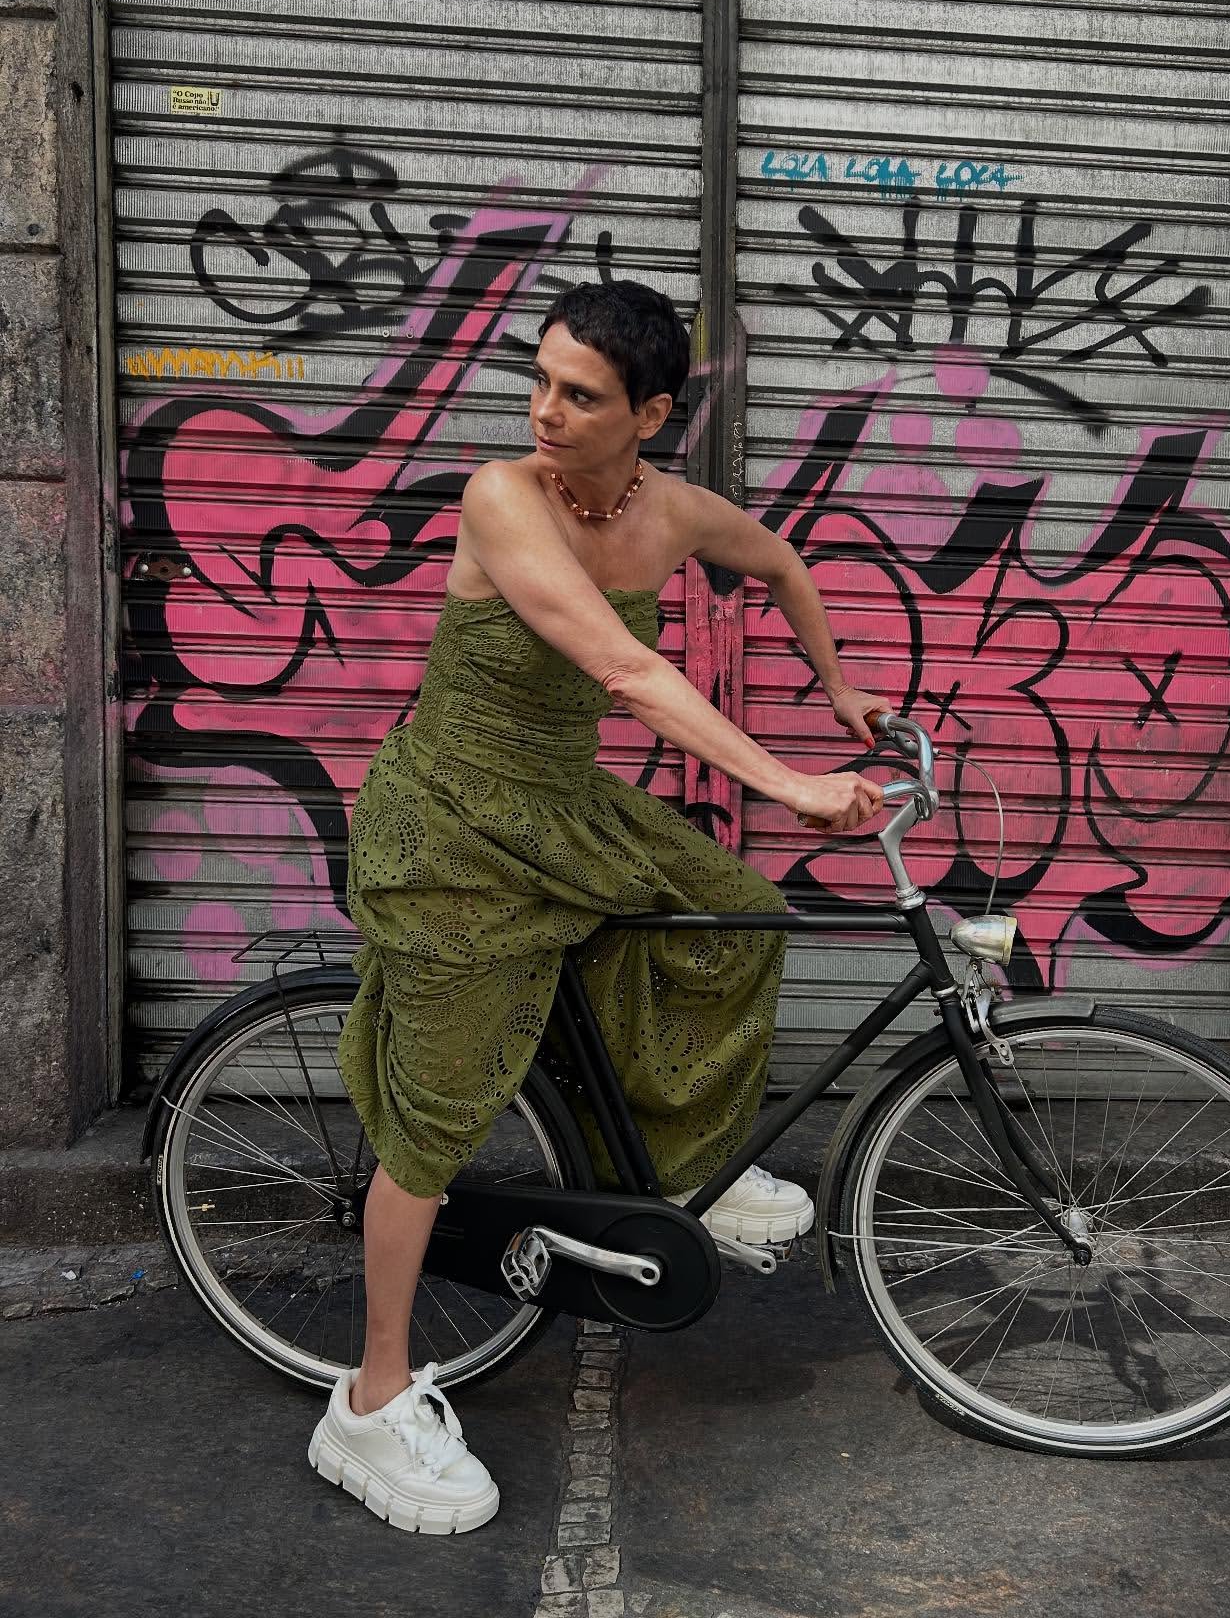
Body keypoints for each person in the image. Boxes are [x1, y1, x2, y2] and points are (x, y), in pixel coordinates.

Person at [308, 278, 894, 1534]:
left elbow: (781, 560)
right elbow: (626, 669)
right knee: (445, 1106)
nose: (546, 412)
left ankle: (679, 1162)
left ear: (651, 413)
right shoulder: (500, 496)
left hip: (559, 805)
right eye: (540, 382)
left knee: (733, 919)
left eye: (579, 395)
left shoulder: (670, 511)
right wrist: (788, 779)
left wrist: (839, 689)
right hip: (455, 818)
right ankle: (367, 1401)